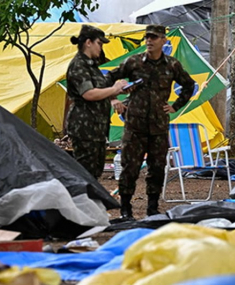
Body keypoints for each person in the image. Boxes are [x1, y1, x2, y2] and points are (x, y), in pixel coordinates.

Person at [107, 25, 195, 220]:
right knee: (129, 166)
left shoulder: (172, 65)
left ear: (163, 40)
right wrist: (114, 99)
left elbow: (189, 86)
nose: (149, 41)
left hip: (158, 127)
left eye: (154, 37)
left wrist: (176, 106)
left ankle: (152, 208)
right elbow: (107, 78)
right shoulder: (134, 62)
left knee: (156, 168)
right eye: (147, 37)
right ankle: (125, 209)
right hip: (134, 126)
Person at [65, 25, 128, 178]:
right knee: (86, 174)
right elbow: (89, 93)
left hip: (96, 128)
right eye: (99, 44)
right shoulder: (79, 65)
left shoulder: (91, 65)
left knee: (94, 172)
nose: (101, 48)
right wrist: (114, 90)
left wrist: (118, 88)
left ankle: (90, 201)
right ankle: (81, 201)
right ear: (88, 43)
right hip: (85, 128)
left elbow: (102, 86)